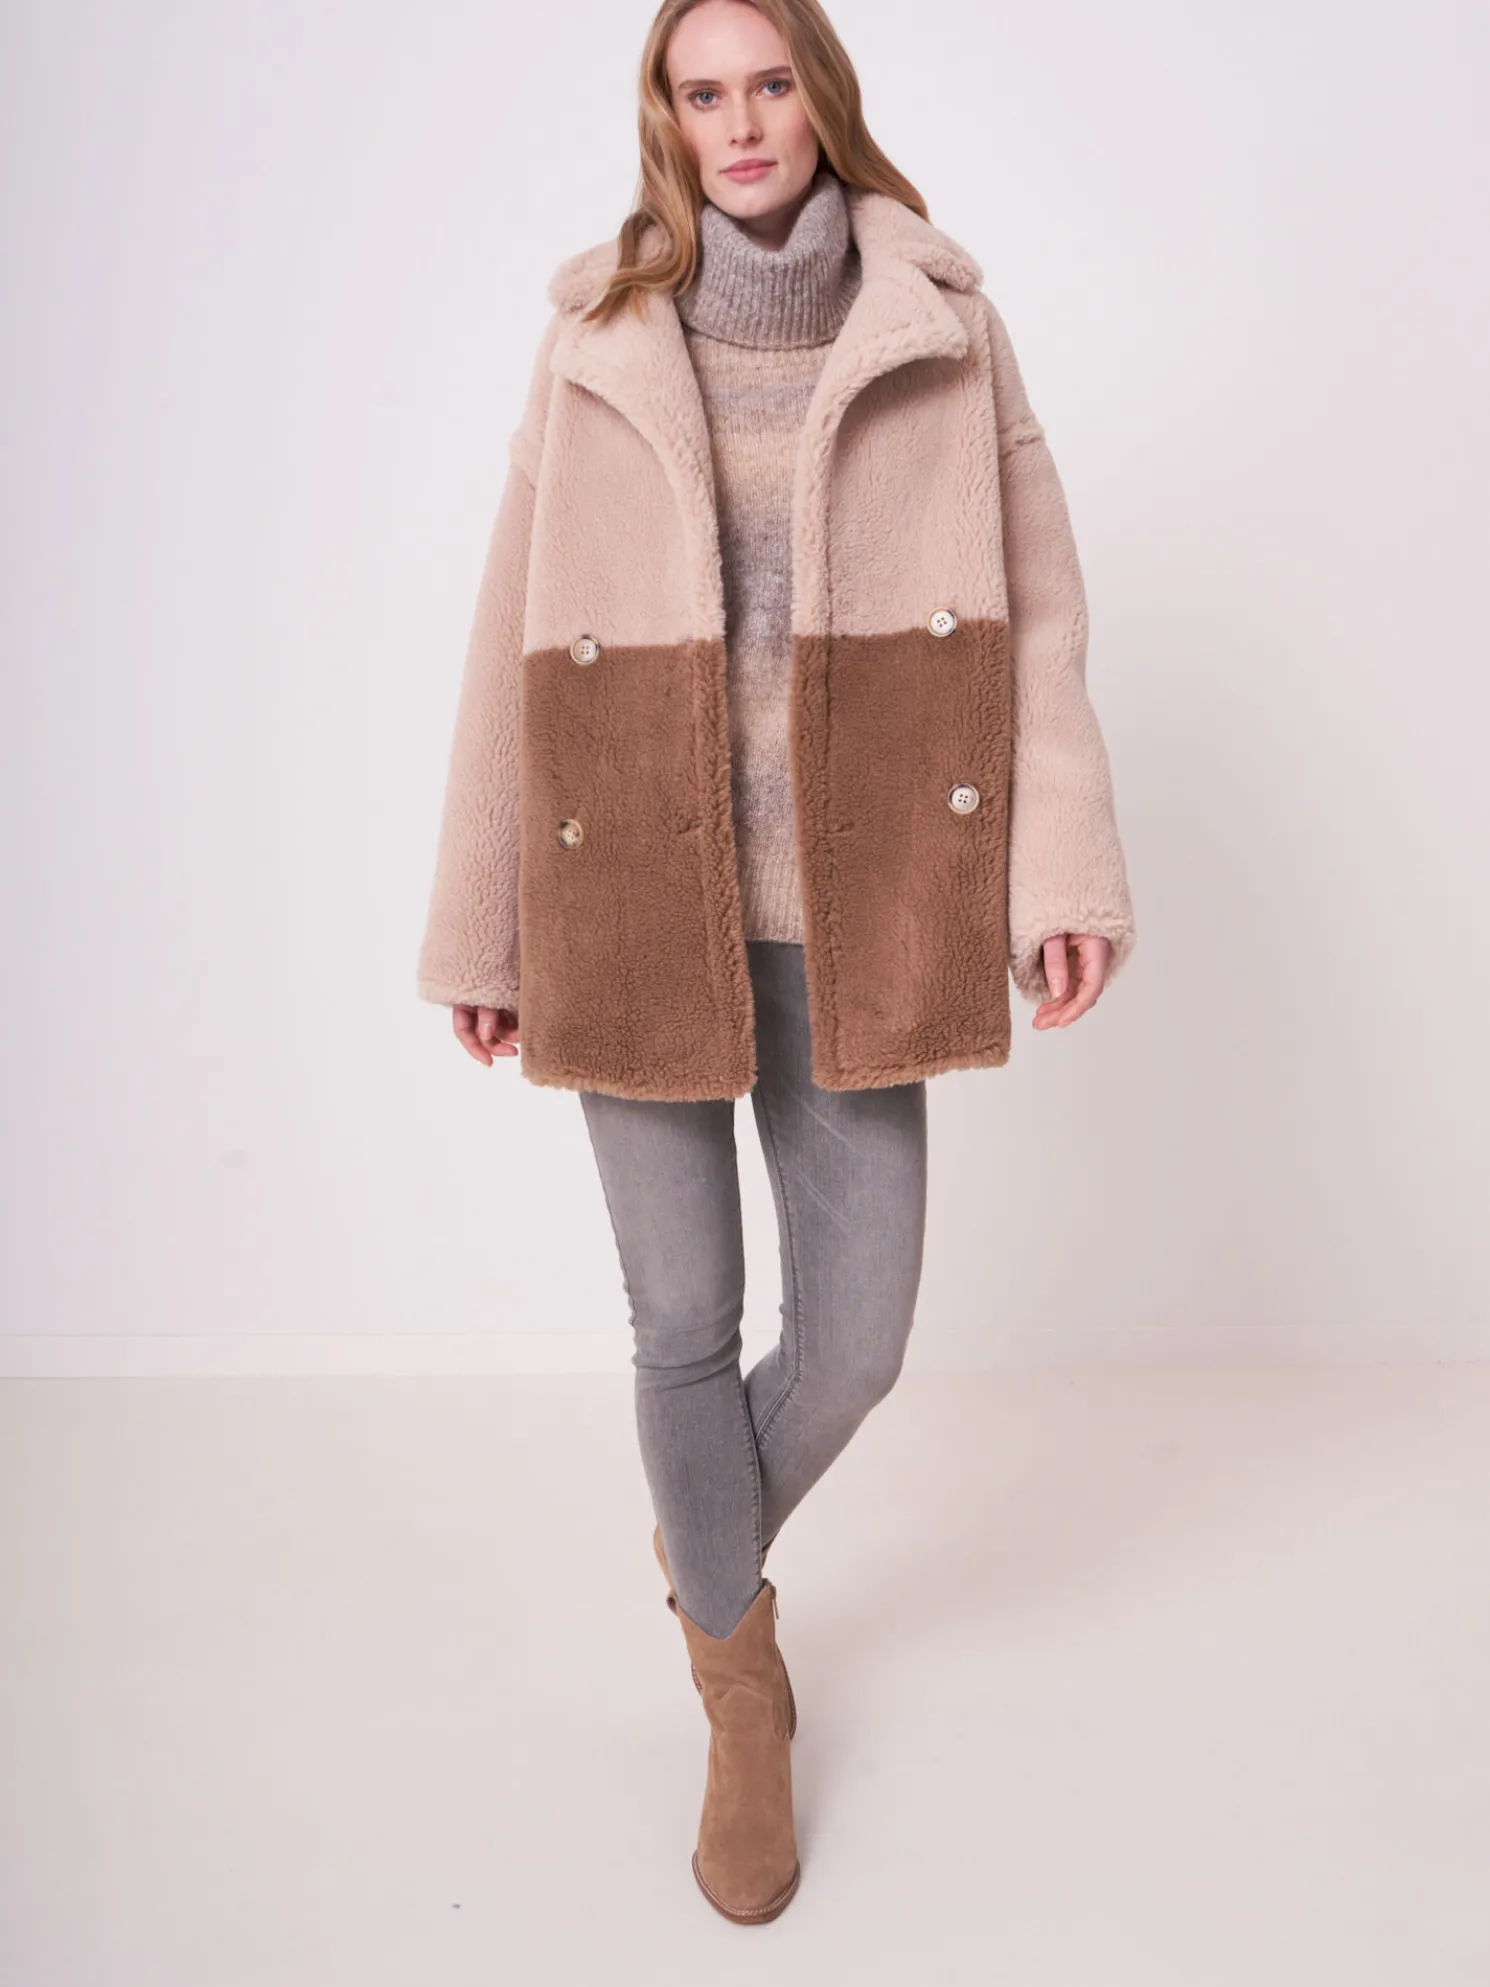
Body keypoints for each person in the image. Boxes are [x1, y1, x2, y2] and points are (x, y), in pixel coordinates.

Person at [415, 0, 1136, 1926]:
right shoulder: (594, 335)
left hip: (861, 891)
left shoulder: (938, 323)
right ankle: (741, 1697)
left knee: (860, 1333)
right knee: (678, 1320)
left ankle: (700, 1540)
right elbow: (504, 640)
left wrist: (1059, 871)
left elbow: (1039, 619)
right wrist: (480, 919)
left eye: (767, 84)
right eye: (700, 90)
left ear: (822, 96)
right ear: (665, 116)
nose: (738, 123)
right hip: (624, 890)